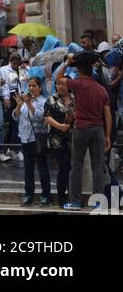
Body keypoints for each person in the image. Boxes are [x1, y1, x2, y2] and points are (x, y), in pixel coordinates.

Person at [64, 53, 112, 209]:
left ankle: (76, 202)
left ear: (79, 71)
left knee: (76, 166)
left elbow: (58, 78)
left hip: (81, 129)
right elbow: (108, 114)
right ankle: (98, 202)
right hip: (98, 129)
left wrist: (67, 63)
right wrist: (108, 135)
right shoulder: (101, 89)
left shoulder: (78, 84)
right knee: (97, 167)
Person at [15, 75, 51, 205]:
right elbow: (16, 116)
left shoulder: (43, 101)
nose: (31, 88)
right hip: (24, 138)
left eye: (34, 86)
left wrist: (29, 104)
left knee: (42, 167)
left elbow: (40, 117)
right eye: (29, 86)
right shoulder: (25, 101)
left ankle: (45, 195)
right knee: (28, 169)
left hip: (37, 138)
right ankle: (28, 194)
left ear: (40, 88)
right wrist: (19, 105)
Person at [44, 68, 75, 207]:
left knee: (72, 167)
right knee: (63, 167)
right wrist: (60, 126)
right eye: (57, 84)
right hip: (57, 138)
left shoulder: (75, 98)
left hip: (73, 137)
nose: (59, 86)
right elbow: (47, 117)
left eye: (62, 84)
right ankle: (62, 197)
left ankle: (71, 194)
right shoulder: (52, 99)